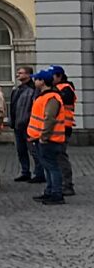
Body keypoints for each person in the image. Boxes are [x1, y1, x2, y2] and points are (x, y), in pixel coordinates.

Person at [27, 70, 67, 205]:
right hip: (43, 138)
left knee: (52, 167)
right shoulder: (45, 96)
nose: (34, 81)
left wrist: (43, 137)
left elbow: (49, 119)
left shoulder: (51, 98)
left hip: (49, 139)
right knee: (48, 167)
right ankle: (50, 192)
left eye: (36, 79)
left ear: (42, 81)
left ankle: (56, 194)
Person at [8, 66, 43, 184]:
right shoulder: (17, 89)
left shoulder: (33, 90)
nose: (18, 75)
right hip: (18, 124)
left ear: (28, 75)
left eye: (20, 73)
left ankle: (39, 173)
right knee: (21, 150)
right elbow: (13, 107)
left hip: (28, 125)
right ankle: (25, 171)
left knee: (34, 151)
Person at [51, 65, 77, 196]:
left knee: (60, 157)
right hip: (59, 127)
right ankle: (60, 184)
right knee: (57, 157)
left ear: (59, 76)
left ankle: (67, 185)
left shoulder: (65, 89)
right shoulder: (60, 88)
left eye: (52, 76)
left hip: (63, 127)